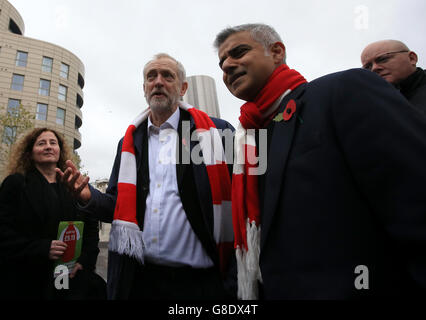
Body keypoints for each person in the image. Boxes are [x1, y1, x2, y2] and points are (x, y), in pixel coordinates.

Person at [214, 23, 426, 299]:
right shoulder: (248, 141)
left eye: (238, 52)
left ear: (277, 52)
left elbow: (413, 198)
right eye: (221, 63)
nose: (228, 65)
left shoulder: (343, 90)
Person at [58, 53, 236, 300]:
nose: (158, 82)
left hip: (203, 285)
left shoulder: (217, 133)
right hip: (142, 283)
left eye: (167, 76)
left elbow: (242, 203)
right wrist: (88, 197)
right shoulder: (130, 142)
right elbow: (117, 206)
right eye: (151, 77)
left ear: (183, 87)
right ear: (144, 88)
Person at [0, 128, 105, 300]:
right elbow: (4, 231)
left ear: (60, 151)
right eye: (41, 143)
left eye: (53, 143)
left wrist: (84, 260)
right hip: (29, 279)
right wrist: (41, 248)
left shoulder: (72, 184)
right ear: (30, 152)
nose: (48, 147)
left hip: (68, 277)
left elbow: (90, 226)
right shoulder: (16, 184)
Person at [361, 40, 426, 111]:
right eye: (368, 67)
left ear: (411, 58)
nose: (374, 68)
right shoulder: (375, 108)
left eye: (383, 59)